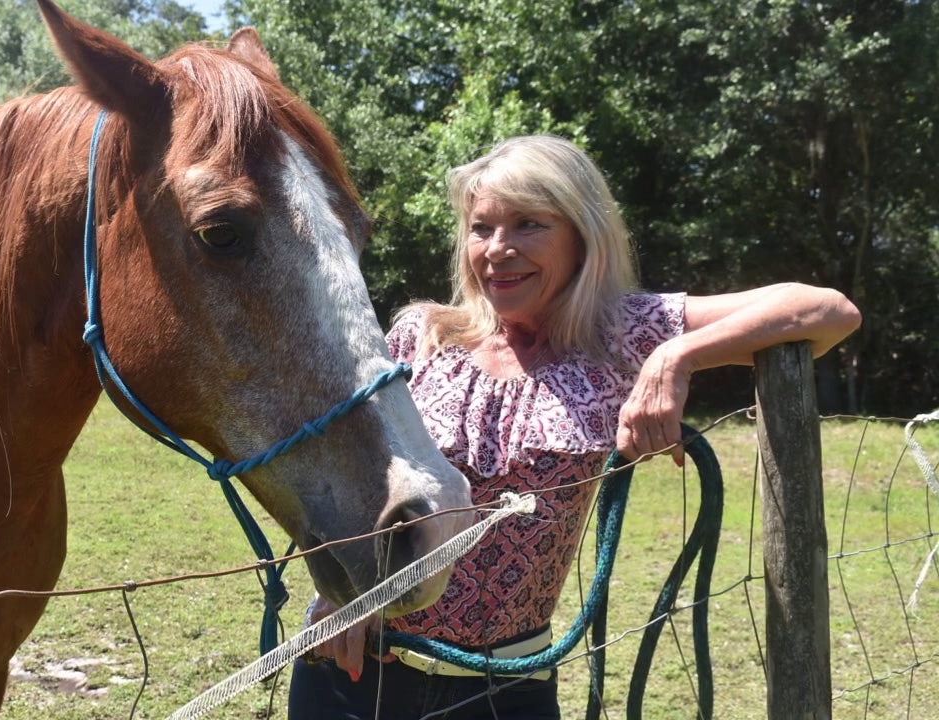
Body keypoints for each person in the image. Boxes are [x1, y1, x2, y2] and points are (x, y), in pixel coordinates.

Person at [287, 135, 861, 719]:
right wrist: (340, 592)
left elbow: (827, 310)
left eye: (529, 224)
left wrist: (675, 358)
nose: (498, 249)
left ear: (583, 235)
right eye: (481, 228)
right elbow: (354, 474)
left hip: (507, 690)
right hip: (355, 670)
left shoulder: (624, 334)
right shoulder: (423, 337)